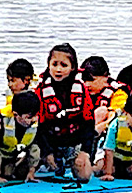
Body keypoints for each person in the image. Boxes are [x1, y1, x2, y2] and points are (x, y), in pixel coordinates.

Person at [36, 43, 96, 183]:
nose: (58, 69)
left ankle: (77, 162)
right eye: (54, 64)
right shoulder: (40, 90)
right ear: (48, 65)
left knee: (84, 175)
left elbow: (89, 123)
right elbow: (39, 126)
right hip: (49, 142)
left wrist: (84, 152)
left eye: (63, 65)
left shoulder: (81, 88)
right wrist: (47, 152)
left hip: (74, 142)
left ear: (72, 67)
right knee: (24, 170)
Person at [0, 91, 47, 184]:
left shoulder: (33, 123)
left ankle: (27, 174)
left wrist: (31, 171)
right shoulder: (2, 122)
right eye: (29, 117)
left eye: (35, 115)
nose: (34, 119)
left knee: (35, 149)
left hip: (11, 156)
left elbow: (34, 149)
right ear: (16, 114)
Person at [81, 55, 130, 133]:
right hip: (80, 127)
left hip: (104, 132)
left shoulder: (118, 93)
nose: (86, 84)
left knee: (102, 111)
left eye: (91, 80)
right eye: (84, 79)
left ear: (105, 77)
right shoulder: (79, 89)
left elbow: (116, 116)